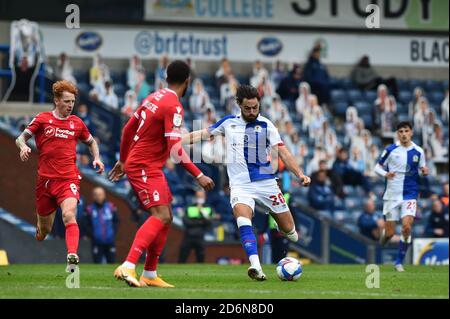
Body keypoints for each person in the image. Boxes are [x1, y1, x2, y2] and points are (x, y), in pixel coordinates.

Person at [183, 84, 311, 281]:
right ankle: (256, 266)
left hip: (266, 182)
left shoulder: (267, 125)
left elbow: (284, 153)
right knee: (243, 220)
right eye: (247, 108)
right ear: (238, 105)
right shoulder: (228, 123)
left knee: (290, 232)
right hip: (240, 185)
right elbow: (200, 134)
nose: (252, 112)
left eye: (255, 107)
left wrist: (300, 174)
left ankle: (280, 224)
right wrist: (176, 142)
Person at [108, 60, 215, 288]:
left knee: (167, 216)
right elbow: (175, 149)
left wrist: (123, 159)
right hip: (145, 166)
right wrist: (199, 175)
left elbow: (128, 128)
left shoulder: (153, 97)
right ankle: (128, 265)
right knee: (161, 215)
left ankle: (149, 273)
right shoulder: (173, 106)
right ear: (187, 82)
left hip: (145, 164)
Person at [15, 80, 105, 272]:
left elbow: (91, 142)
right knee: (44, 231)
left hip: (68, 179)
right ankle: (41, 229)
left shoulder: (77, 123)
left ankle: (72, 255)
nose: (70, 105)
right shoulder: (42, 119)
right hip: (45, 182)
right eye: (66, 101)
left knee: (69, 214)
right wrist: (23, 147)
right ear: (56, 100)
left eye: (72, 101)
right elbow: (20, 137)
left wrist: (97, 158)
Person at [375, 121, 429, 272]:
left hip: (410, 194)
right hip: (392, 195)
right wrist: (386, 173)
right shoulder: (391, 150)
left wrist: (424, 171)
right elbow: (377, 167)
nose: (404, 134)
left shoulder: (419, 151)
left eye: (406, 131)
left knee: (406, 227)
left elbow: (422, 167)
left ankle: (398, 262)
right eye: (401, 131)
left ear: (411, 132)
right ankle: (383, 239)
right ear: (397, 134)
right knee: (390, 233)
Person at [83, 187, 119, 264]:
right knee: (97, 263)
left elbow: (116, 221)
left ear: (104, 195)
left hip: (110, 240)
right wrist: (92, 235)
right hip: (96, 241)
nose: (99, 196)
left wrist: (113, 233)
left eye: (100, 194)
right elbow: (86, 224)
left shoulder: (111, 207)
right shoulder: (89, 209)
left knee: (112, 262)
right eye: (96, 195)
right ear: (93, 196)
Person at [178, 189, 214, 263]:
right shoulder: (189, 207)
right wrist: (200, 222)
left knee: (201, 258)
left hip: (200, 236)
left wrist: (202, 213)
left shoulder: (208, 208)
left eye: (202, 196)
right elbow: (186, 221)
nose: (200, 198)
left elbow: (209, 222)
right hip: (188, 236)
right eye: (198, 196)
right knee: (182, 257)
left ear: (205, 197)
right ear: (195, 197)